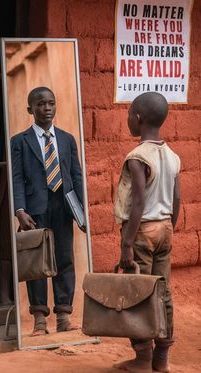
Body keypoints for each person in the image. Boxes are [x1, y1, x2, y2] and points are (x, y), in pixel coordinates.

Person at [114, 92, 180, 373]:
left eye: (129, 113)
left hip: (141, 232)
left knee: (138, 292)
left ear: (137, 119)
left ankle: (142, 358)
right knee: (162, 292)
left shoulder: (138, 156)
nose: (128, 117)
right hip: (165, 228)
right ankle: (161, 359)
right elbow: (177, 200)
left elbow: (138, 202)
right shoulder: (172, 155)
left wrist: (127, 243)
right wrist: (168, 228)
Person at [11, 86, 84, 335]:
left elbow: (76, 176)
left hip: (63, 207)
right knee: (37, 262)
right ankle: (40, 319)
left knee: (65, 259)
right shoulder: (20, 141)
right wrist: (19, 209)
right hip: (34, 210)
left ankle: (63, 316)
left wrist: (81, 211)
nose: (47, 108)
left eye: (51, 103)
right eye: (41, 104)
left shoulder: (67, 139)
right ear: (30, 109)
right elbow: (16, 177)